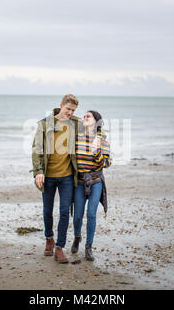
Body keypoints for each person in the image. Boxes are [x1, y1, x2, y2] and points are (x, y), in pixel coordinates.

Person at [31, 94, 81, 264]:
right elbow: (36, 149)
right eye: (68, 109)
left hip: (67, 176)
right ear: (60, 106)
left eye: (73, 110)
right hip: (48, 176)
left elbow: (97, 127)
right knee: (47, 210)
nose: (70, 112)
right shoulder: (44, 124)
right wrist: (38, 171)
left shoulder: (75, 123)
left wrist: (98, 136)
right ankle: (49, 239)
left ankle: (59, 248)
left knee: (65, 212)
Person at [71, 110, 111, 261]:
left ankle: (88, 247)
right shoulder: (76, 139)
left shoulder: (103, 141)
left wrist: (96, 152)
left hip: (95, 182)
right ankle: (77, 237)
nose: (85, 117)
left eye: (89, 116)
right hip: (80, 182)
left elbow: (107, 163)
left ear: (96, 121)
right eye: (84, 116)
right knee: (77, 216)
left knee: (92, 214)